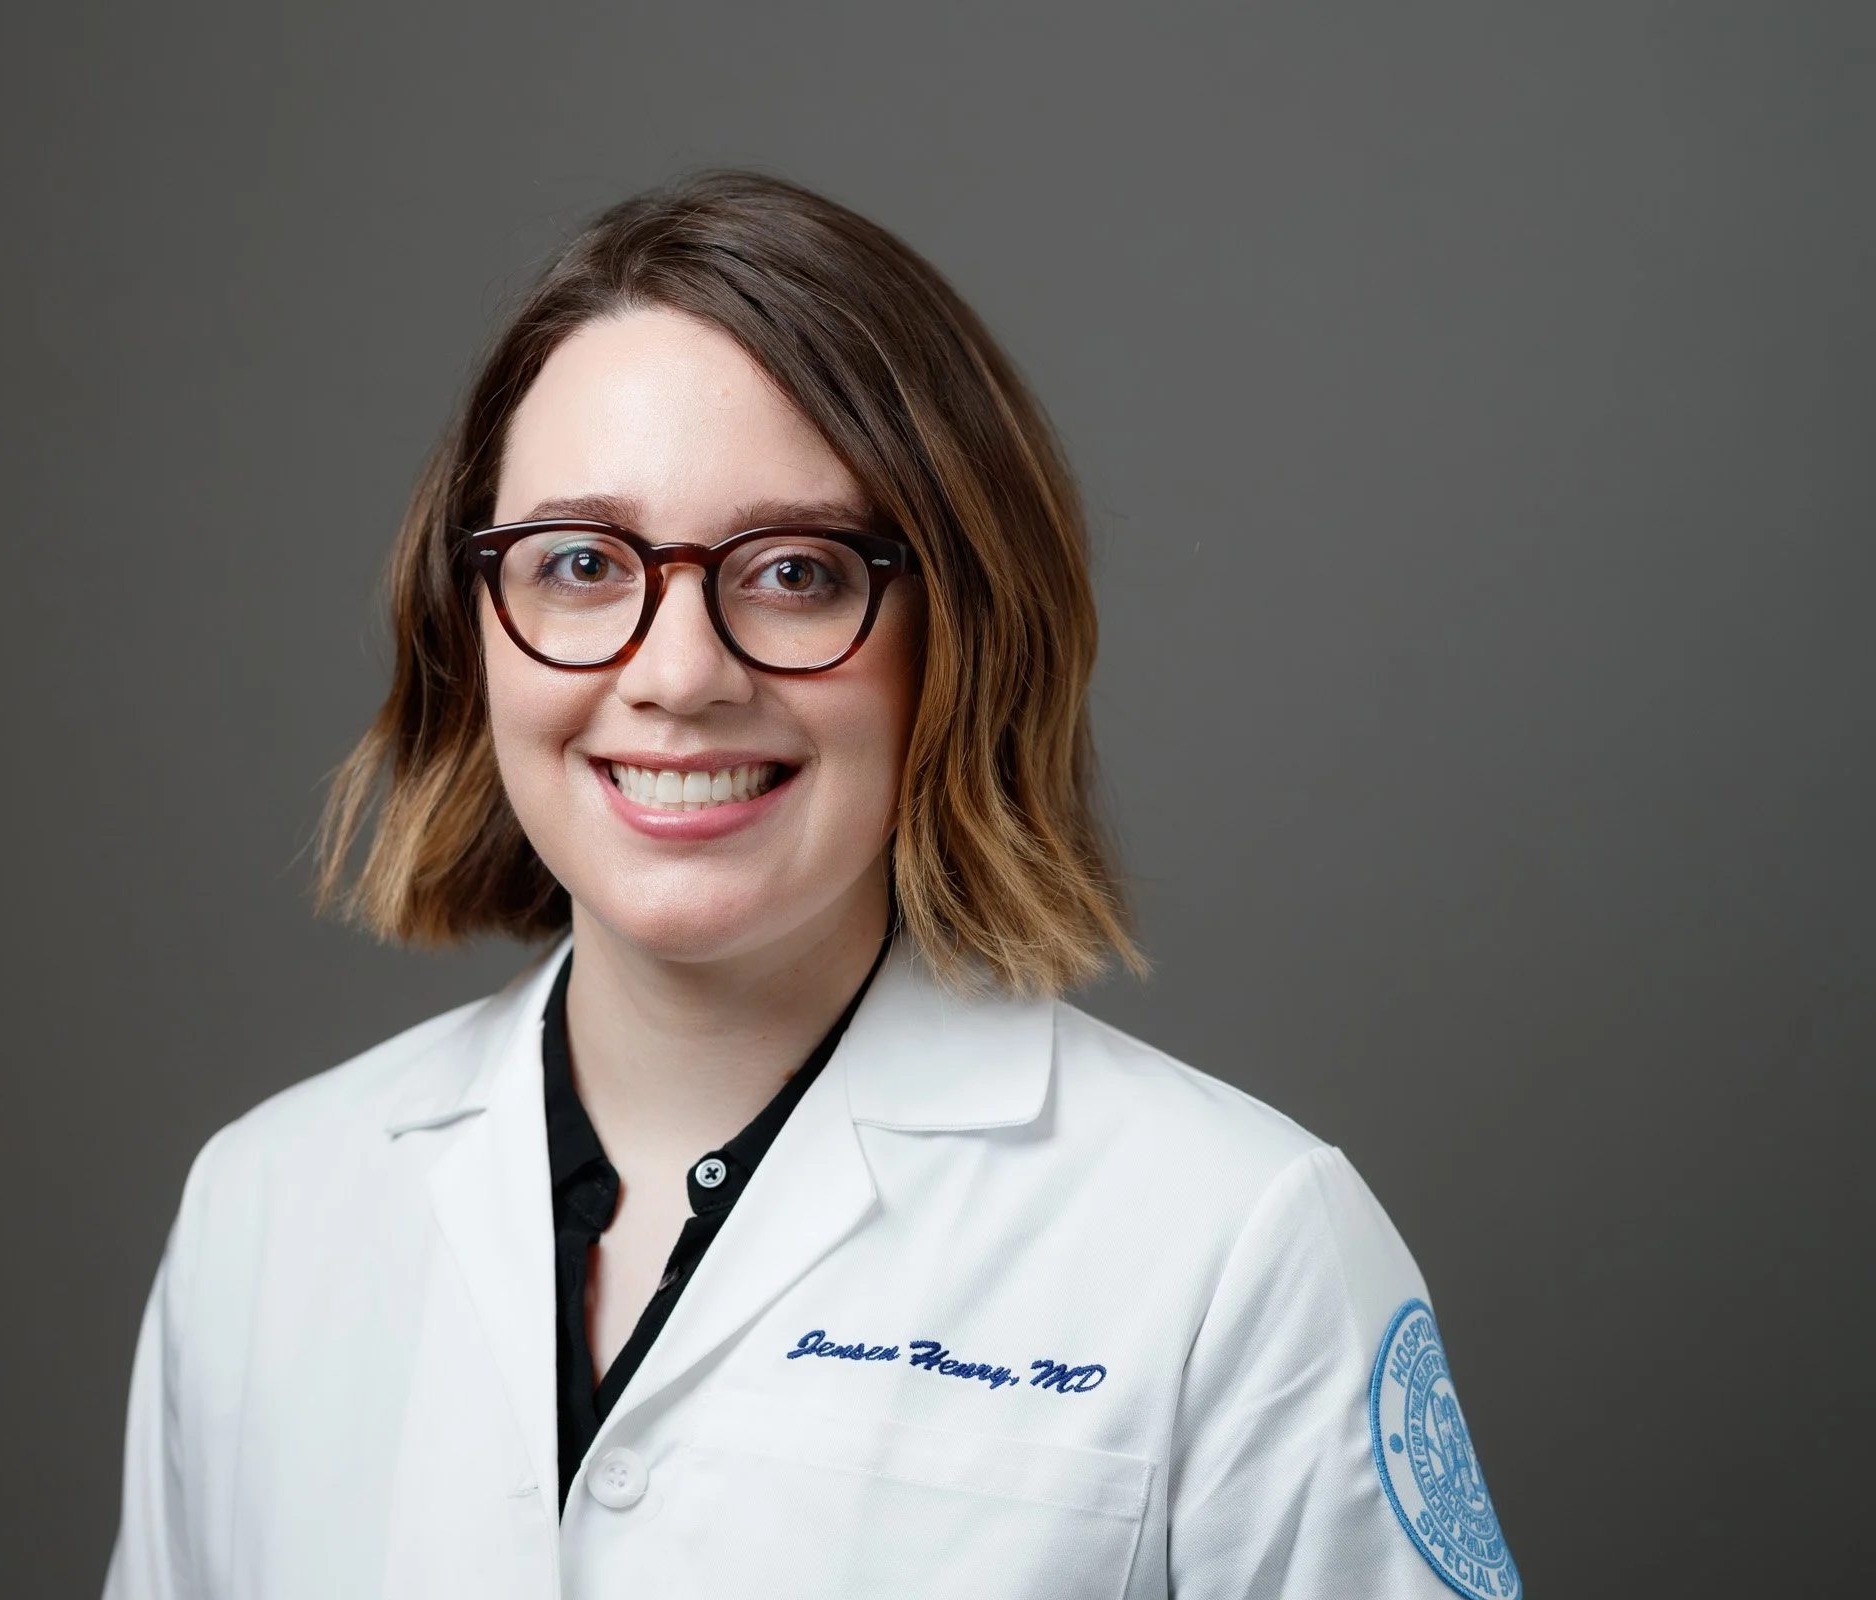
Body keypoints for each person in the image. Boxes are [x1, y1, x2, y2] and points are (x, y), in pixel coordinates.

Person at [102, 172, 1518, 1600]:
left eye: (794, 571)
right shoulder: (269, 1210)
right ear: (469, 622)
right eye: (582, 562)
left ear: (958, 632)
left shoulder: (1237, 1251)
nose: (675, 675)